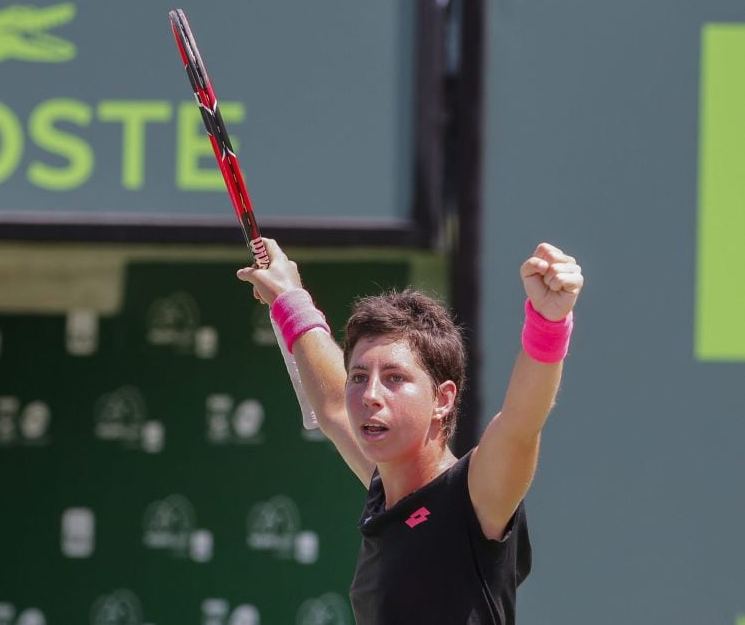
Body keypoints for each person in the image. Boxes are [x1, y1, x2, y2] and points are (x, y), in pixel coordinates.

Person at [237, 239, 584, 624]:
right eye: (359, 376)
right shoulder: (382, 490)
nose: (370, 395)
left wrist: (548, 322)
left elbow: (522, 421)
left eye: (394, 378)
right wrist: (289, 298)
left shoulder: (474, 497)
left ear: (443, 399)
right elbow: (335, 405)